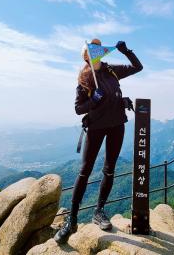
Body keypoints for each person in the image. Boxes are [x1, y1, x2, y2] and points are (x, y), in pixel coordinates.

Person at [54, 39, 143, 244]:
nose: (96, 51)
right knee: (84, 171)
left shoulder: (111, 70)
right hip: (96, 127)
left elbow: (138, 67)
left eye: (98, 48)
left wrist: (126, 52)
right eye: (91, 49)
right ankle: (72, 220)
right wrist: (93, 100)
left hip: (117, 125)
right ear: (86, 55)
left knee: (110, 169)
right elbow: (78, 108)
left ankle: (99, 211)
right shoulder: (85, 77)